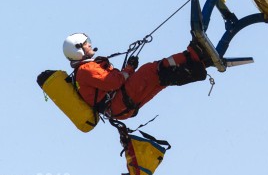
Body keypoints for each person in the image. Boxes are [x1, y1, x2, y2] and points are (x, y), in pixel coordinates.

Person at [63, 32, 212, 120]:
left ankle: (199, 65)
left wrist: (129, 69)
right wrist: (130, 68)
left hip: (121, 107)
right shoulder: (86, 70)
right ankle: (193, 54)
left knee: (162, 78)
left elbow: (113, 82)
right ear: (78, 50)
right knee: (152, 69)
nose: (89, 44)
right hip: (118, 103)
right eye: (85, 43)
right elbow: (114, 82)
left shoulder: (85, 70)